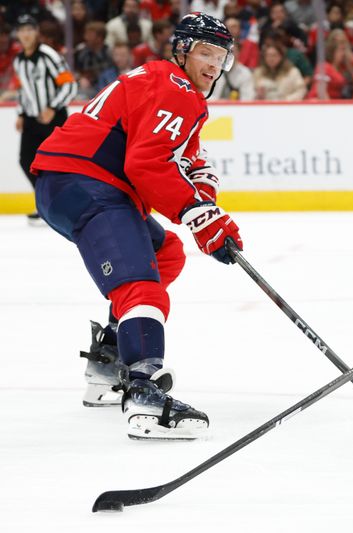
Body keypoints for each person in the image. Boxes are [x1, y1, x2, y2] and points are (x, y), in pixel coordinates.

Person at [30, 12, 244, 440]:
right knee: (141, 286)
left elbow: (187, 158)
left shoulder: (168, 84)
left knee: (165, 253)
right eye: (205, 52)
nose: (213, 65)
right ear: (182, 50)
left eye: (221, 57)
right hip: (88, 183)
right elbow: (146, 164)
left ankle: (107, 365)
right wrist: (198, 215)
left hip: (71, 183)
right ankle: (145, 397)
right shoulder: (175, 88)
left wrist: (206, 207)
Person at [12, 15, 77, 225]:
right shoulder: (18, 60)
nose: (26, 34)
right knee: (27, 161)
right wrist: (21, 113)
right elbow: (23, 90)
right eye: (22, 30)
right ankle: (46, 202)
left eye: (30, 29)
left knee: (57, 164)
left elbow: (69, 84)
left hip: (53, 118)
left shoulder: (48, 55)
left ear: (36, 32)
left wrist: (53, 106)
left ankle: (64, 203)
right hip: (32, 119)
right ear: (18, 34)